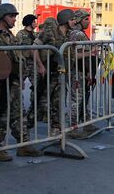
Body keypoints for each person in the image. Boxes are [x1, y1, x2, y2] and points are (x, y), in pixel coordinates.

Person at [0, 3, 42, 162]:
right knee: (0, 115)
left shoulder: (9, 35)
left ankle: (23, 144)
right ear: (2, 17)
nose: (15, 19)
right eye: (11, 16)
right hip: (1, 82)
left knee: (18, 114)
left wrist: (19, 78)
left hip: (12, 80)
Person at [34, 9, 75, 137]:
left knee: (57, 103)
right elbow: (34, 48)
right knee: (40, 103)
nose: (74, 22)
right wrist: (40, 66)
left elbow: (71, 55)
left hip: (60, 75)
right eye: (72, 19)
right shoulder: (50, 32)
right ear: (65, 20)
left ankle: (56, 130)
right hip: (48, 73)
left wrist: (90, 53)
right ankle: (25, 130)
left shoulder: (68, 35)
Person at [69, 9, 99, 138]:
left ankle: (86, 122)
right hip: (78, 71)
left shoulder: (80, 33)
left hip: (83, 70)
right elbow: (80, 56)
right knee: (77, 99)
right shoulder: (78, 34)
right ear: (80, 20)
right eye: (86, 19)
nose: (88, 21)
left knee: (84, 98)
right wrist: (88, 71)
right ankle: (73, 127)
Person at [17, 14, 46, 126]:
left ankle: (34, 110)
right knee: (18, 86)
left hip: (33, 63)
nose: (36, 23)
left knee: (37, 86)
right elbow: (17, 49)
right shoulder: (21, 34)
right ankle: (20, 111)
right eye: (34, 21)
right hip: (24, 63)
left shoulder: (34, 35)